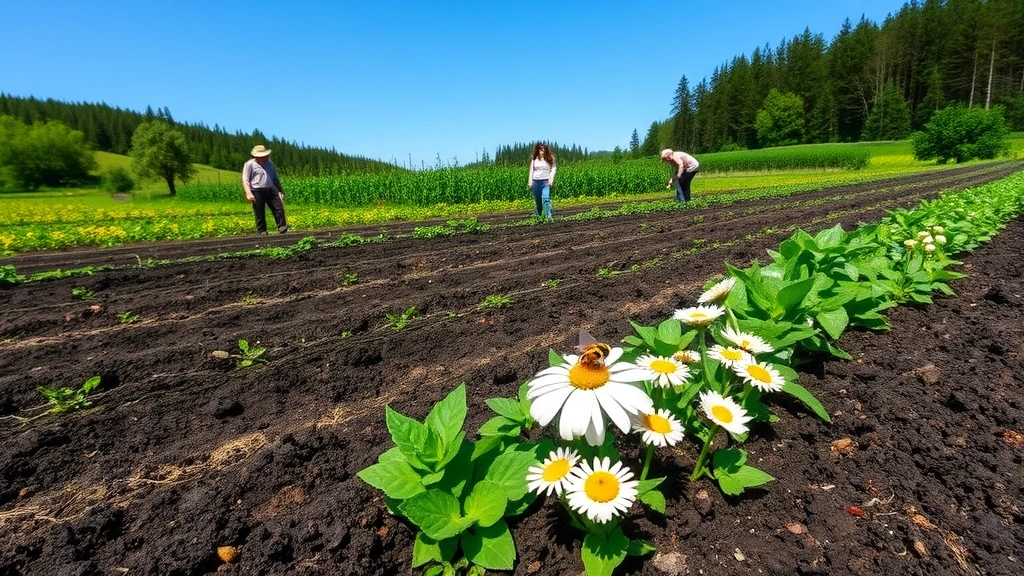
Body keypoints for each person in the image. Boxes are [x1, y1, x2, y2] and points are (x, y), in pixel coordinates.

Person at [242, 144, 289, 234]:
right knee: (259, 211)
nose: (264, 158)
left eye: (265, 156)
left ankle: (282, 227)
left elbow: (275, 178)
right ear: (255, 156)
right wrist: (248, 193)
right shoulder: (249, 164)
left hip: (271, 189)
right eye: (261, 156)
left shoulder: (270, 164)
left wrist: (280, 191)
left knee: (278, 208)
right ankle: (262, 230)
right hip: (256, 190)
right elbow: (245, 179)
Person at [527, 142, 556, 219]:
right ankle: (538, 216)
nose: (541, 151)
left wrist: (551, 178)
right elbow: (531, 171)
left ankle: (548, 216)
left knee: (546, 198)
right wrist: (530, 181)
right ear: (537, 150)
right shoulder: (534, 159)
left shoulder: (550, 158)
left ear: (546, 150)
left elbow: (553, 169)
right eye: (540, 149)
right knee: (538, 200)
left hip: (545, 181)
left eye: (543, 149)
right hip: (536, 181)